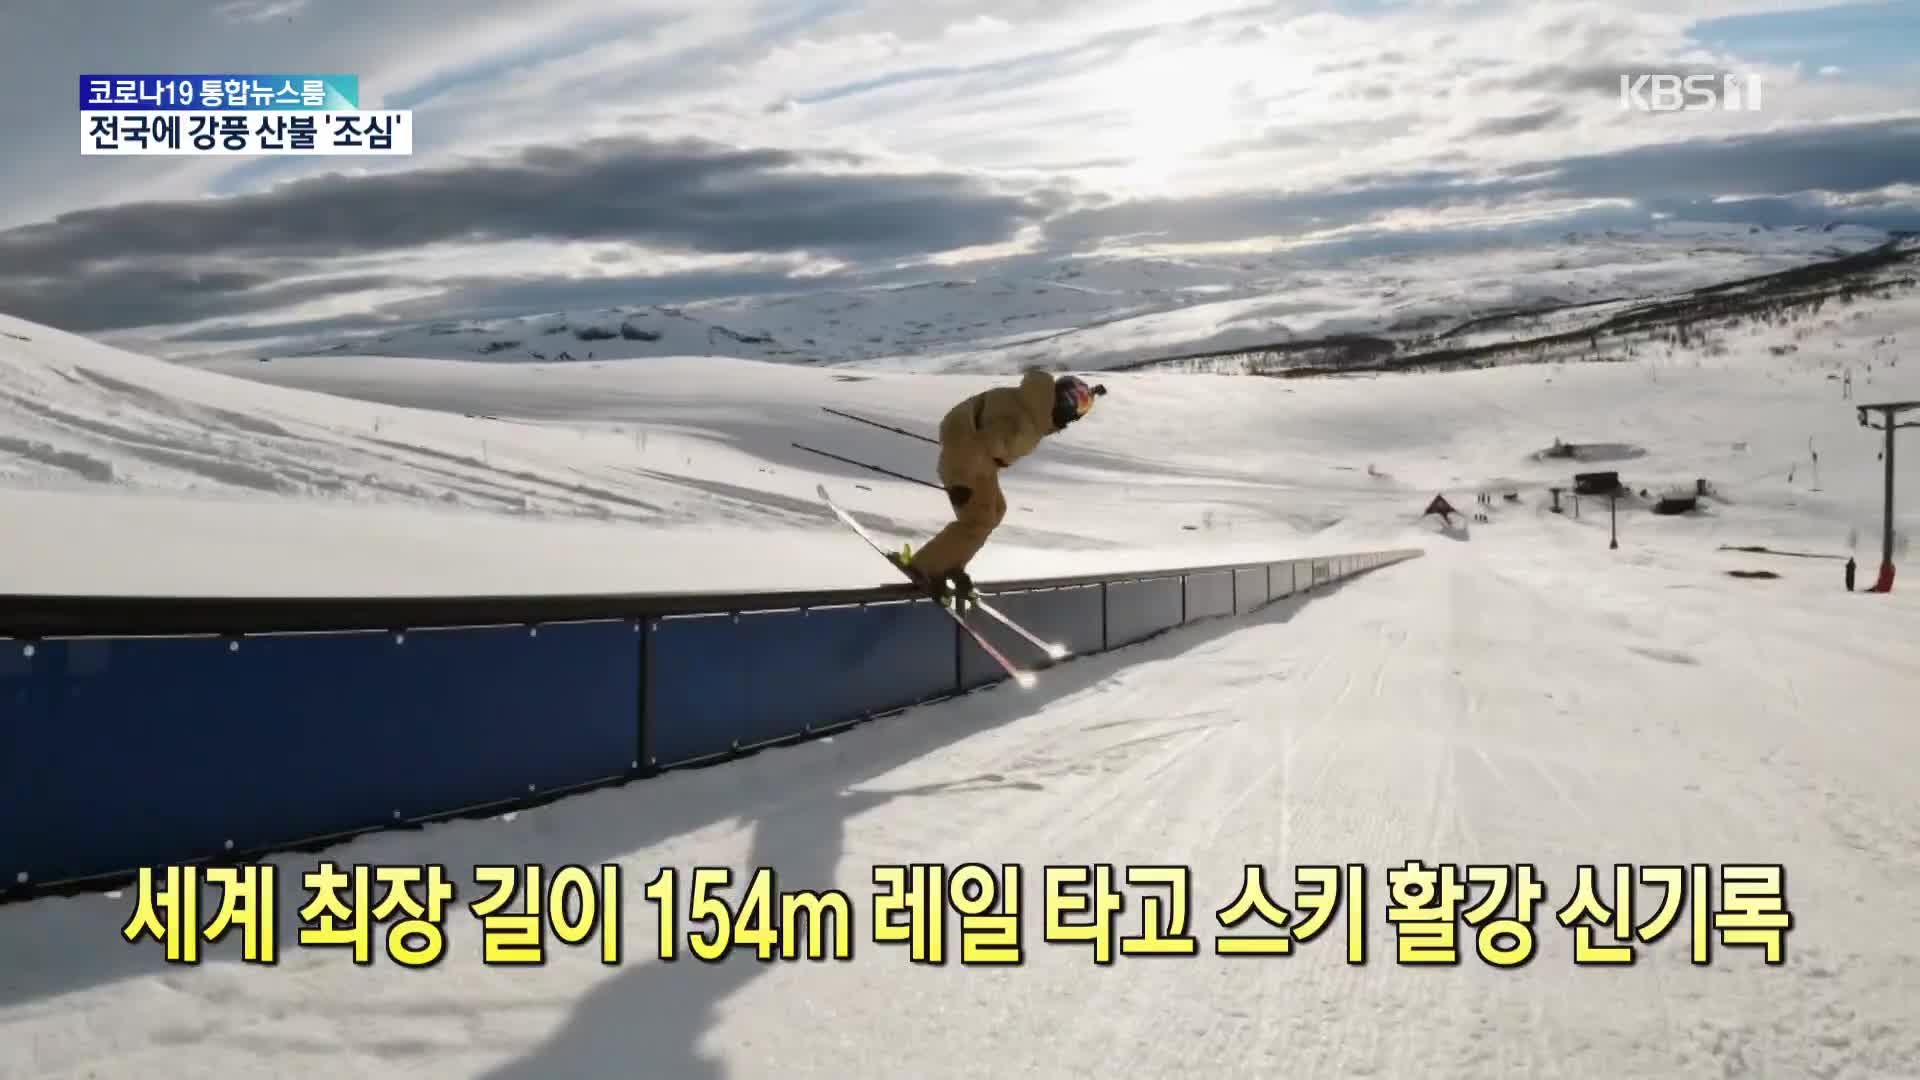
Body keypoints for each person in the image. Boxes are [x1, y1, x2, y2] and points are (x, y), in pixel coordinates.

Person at [894, 369, 1106, 603]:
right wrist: (961, 480)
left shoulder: (1035, 407)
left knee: (996, 509)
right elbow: (977, 445)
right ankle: (926, 566)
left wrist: (1093, 393)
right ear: (1063, 403)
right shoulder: (1024, 422)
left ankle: (950, 562)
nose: (1077, 415)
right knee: (979, 518)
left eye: (1084, 407)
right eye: (1078, 407)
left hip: (978, 457)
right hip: (965, 454)